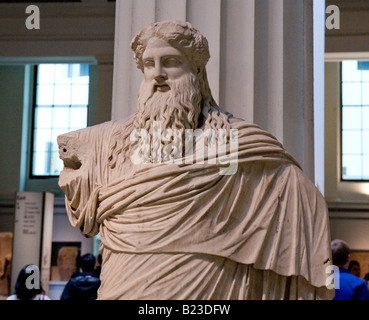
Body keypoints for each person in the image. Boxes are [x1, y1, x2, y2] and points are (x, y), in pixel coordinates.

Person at [57, 20, 333, 300]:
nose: (158, 74)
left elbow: (293, 191)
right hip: (124, 285)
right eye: (149, 65)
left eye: (171, 62)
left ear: (198, 72)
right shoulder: (108, 143)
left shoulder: (230, 141)